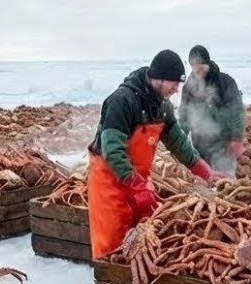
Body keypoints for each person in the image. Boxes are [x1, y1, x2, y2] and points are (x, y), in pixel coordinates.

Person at [88, 49, 225, 258]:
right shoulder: (122, 101)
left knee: (145, 241)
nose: (177, 89)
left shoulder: (162, 106)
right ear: (160, 78)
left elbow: (178, 142)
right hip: (111, 185)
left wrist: (205, 171)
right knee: (112, 246)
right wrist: (135, 185)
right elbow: (112, 151)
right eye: (174, 83)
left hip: (139, 184)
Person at [177, 45, 246, 176]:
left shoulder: (225, 82)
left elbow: (237, 110)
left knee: (225, 179)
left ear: (207, 63)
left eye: (201, 66)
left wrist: (236, 138)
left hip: (223, 144)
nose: (197, 70)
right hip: (200, 144)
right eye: (194, 66)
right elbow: (184, 115)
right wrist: (180, 140)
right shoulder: (189, 88)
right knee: (204, 180)